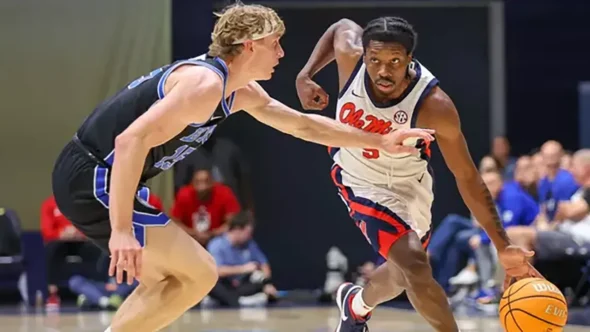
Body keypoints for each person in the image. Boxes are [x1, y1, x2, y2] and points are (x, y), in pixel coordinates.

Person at [51, 4, 435, 332]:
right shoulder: (203, 85)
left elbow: (303, 125)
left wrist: (381, 140)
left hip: (106, 177)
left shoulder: (239, 90)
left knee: (172, 281)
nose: (282, 53)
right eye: (275, 44)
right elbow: (128, 142)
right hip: (95, 178)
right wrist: (120, 230)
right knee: (198, 273)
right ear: (249, 46)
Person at [296, 16, 542, 332]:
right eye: (375, 60)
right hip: (358, 179)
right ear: (365, 54)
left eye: (394, 62)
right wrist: (305, 75)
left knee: (403, 275)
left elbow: (467, 176)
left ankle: (355, 304)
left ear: (410, 60)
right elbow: (340, 27)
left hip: (410, 185)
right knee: (415, 266)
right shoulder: (350, 53)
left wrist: (503, 245)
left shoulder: (434, 105)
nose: (383, 71)